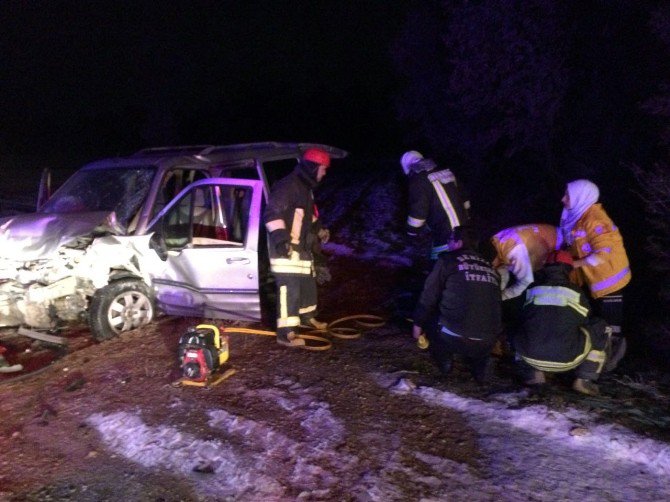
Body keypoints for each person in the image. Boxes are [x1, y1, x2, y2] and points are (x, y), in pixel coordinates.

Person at [411, 225, 502, 383]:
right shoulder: (491, 268)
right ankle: (479, 370)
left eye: (450, 240)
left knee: (433, 317)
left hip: (452, 338)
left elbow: (429, 295)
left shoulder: (447, 260)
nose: (448, 244)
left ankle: (445, 362)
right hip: (488, 341)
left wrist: (417, 324)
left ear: (459, 243)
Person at [514, 250, 610, 396]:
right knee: (601, 327)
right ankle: (585, 378)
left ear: (545, 268)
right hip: (568, 360)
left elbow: (520, 317)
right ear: (569, 269)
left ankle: (532, 375)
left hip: (530, 357)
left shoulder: (531, 290)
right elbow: (586, 320)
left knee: (520, 326)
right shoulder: (576, 292)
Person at [559, 179, 631, 370]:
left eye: (567, 195)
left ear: (581, 197)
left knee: (610, 328)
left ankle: (606, 365)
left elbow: (603, 253)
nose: (563, 199)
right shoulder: (575, 215)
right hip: (591, 277)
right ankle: (590, 363)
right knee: (594, 321)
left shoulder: (595, 220)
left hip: (610, 278)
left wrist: (571, 264)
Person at [264, 148, 331, 347]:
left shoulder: (304, 188)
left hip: (301, 249)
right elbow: (272, 214)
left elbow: (307, 216)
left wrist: (319, 231)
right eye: (323, 169)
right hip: (286, 249)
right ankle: (286, 334)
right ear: (313, 168)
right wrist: (282, 240)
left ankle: (307, 317)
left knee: (307, 284)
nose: (324, 173)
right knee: (289, 289)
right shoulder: (288, 187)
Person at [400, 151, 471, 259]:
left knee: (439, 264)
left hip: (447, 233)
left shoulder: (418, 180)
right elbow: (464, 198)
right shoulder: (446, 171)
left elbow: (418, 213)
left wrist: (411, 232)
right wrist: (467, 216)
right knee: (465, 259)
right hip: (465, 227)